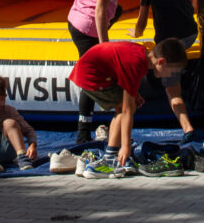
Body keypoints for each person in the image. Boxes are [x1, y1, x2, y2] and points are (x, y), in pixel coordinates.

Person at [67, 0, 144, 143]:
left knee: (115, 9)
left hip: (76, 19)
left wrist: (85, 3)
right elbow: (99, 11)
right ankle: (83, 132)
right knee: (91, 77)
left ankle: (86, 129)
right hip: (88, 28)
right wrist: (104, 45)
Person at [68, 38, 188, 178]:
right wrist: (125, 147)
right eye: (173, 71)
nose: (172, 76)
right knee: (123, 109)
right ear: (161, 62)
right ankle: (110, 157)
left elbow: (119, 68)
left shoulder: (140, 55)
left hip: (96, 70)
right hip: (90, 75)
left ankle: (113, 152)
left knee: (128, 105)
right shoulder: (135, 64)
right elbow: (126, 111)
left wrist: (134, 94)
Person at [128, 0, 198, 140]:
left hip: (169, 44)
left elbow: (141, 24)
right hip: (189, 36)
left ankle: (187, 127)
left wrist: (136, 33)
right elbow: (188, 7)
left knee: (172, 90)